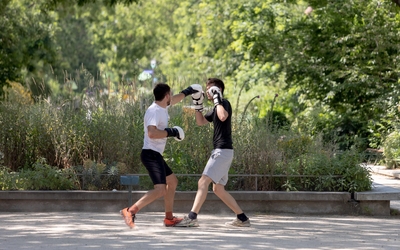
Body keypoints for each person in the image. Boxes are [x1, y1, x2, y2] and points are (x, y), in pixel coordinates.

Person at [120, 82, 200, 228]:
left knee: (172, 182)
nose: (172, 97)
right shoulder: (154, 111)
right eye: (170, 94)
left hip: (155, 154)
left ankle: (169, 218)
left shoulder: (163, 106)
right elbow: (152, 133)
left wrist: (188, 91)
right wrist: (171, 132)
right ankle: (130, 211)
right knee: (161, 189)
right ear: (166, 96)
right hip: (150, 154)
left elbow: (175, 99)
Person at [176, 78, 250, 227]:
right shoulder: (216, 107)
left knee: (203, 182)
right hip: (223, 151)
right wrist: (198, 105)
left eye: (210, 89)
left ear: (218, 90)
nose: (207, 92)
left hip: (222, 151)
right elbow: (201, 122)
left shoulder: (224, 104)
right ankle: (242, 219)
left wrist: (218, 98)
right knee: (218, 189)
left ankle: (192, 218)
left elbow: (223, 116)